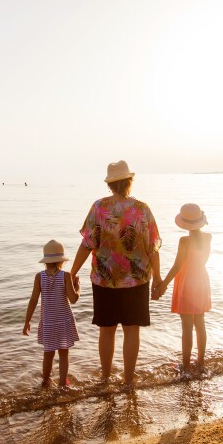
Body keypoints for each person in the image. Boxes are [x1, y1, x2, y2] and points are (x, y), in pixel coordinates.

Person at [70, 160, 162, 387]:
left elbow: (87, 244)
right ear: (129, 181)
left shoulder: (99, 207)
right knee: (131, 332)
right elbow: (152, 248)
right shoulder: (142, 209)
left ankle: (105, 377)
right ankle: (129, 382)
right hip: (137, 280)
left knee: (107, 331)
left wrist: (72, 272)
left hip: (105, 280)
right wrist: (158, 278)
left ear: (110, 185)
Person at [153, 203, 212, 376]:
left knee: (187, 326)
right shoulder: (208, 237)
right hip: (201, 279)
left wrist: (163, 284)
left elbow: (177, 266)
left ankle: (186, 366)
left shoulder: (184, 241)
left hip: (187, 281)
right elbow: (203, 261)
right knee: (200, 323)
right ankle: (200, 362)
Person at [23, 240, 80, 388]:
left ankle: (46, 380)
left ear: (46, 261)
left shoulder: (39, 277)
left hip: (48, 321)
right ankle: (62, 384)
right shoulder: (65, 276)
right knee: (63, 353)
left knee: (48, 353)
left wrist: (27, 321)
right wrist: (77, 287)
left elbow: (33, 300)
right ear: (61, 261)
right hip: (64, 320)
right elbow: (73, 300)